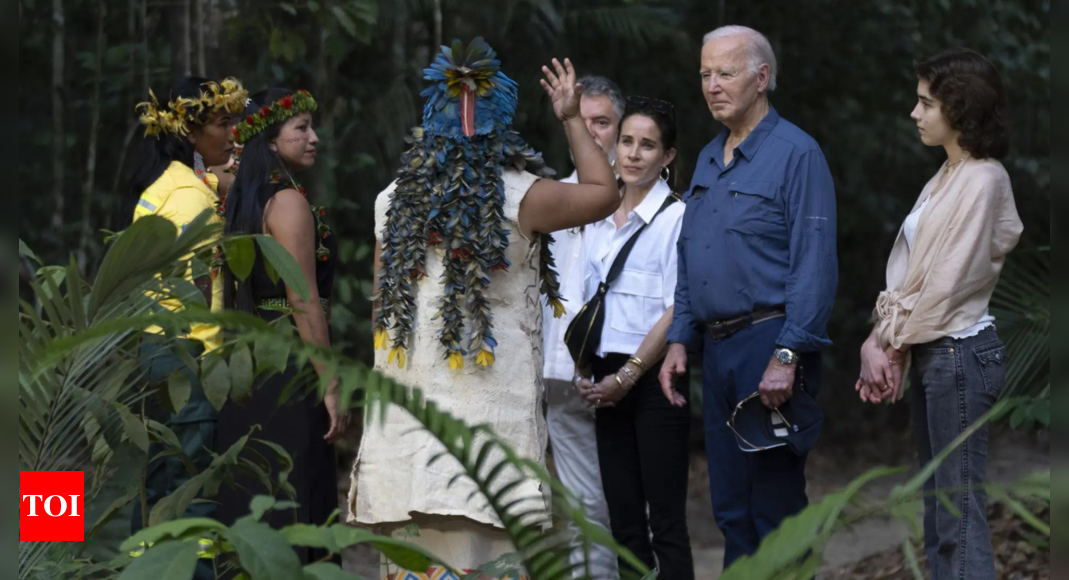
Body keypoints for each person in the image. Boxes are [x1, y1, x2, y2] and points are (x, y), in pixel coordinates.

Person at [348, 41, 620, 579]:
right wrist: (570, 120)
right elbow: (603, 193)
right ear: (500, 126)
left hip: (409, 427)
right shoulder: (522, 195)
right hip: (490, 430)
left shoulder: (392, 199)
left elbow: (382, 311)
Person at [659, 25, 838, 567]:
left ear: (761, 79)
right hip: (717, 353)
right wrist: (678, 338)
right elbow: (692, 255)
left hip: (770, 344)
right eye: (705, 74)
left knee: (775, 508)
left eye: (726, 73)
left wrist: (789, 354)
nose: (712, 85)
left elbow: (815, 263)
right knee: (731, 508)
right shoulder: (710, 157)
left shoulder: (797, 153)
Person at [857, 48, 1022, 580]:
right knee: (940, 510)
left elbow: (947, 285)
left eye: (926, 102)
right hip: (937, 351)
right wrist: (878, 342)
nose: (915, 113)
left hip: (958, 351)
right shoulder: (948, 175)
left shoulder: (982, 178)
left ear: (959, 107)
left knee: (959, 512)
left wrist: (892, 346)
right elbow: (911, 282)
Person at [216, 87, 345, 565]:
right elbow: (303, 297)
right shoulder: (287, 202)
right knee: (297, 493)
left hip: (246, 363)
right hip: (290, 362)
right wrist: (330, 381)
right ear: (271, 142)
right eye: (301, 129)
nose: (314, 137)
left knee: (253, 494)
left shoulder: (240, 200)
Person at [121, 78, 247, 564]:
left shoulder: (166, 186)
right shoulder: (193, 201)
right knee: (190, 486)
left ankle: (143, 567)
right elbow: (196, 287)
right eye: (223, 123)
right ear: (191, 133)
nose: (234, 133)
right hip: (188, 354)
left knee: (156, 485)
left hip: (154, 348)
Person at [576, 95, 694, 579]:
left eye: (648, 145)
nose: (633, 154)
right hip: (605, 377)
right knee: (623, 521)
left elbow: (676, 306)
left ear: (667, 157)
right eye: (626, 141)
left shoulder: (677, 217)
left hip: (654, 377)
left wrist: (628, 375)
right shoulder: (596, 215)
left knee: (665, 520)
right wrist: (588, 370)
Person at [542, 74, 624, 580]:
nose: (593, 134)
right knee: (578, 506)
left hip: (622, 367)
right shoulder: (550, 195)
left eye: (603, 122)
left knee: (619, 503)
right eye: (583, 120)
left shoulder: (641, 194)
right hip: (557, 368)